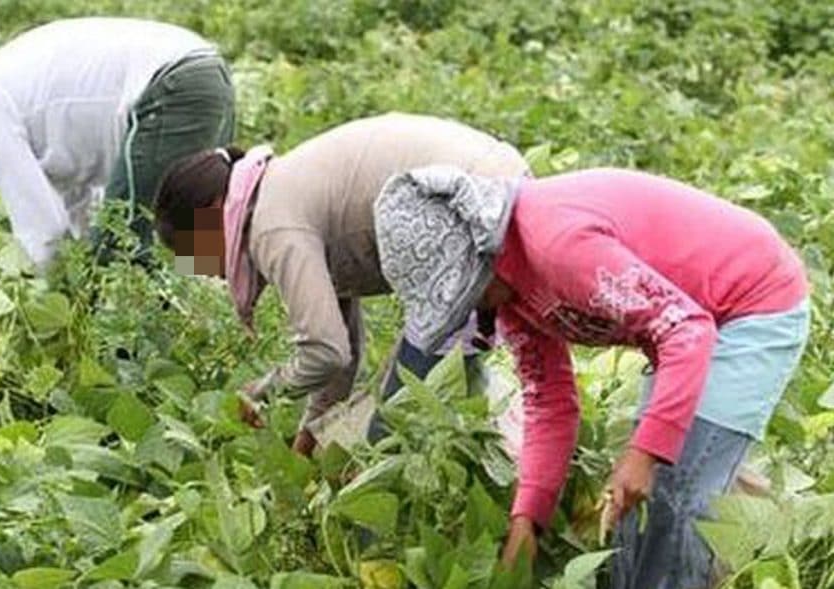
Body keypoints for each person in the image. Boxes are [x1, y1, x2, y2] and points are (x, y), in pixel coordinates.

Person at [373, 166, 809, 588]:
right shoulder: (510, 298)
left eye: (464, 292)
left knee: (676, 495)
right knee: (626, 508)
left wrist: (644, 454)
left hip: (751, 305)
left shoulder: (556, 246)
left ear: (479, 259)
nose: (470, 308)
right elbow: (551, 402)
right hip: (684, 331)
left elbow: (686, 329)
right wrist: (527, 524)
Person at [153, 113, 530, 455]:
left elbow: (326, 351)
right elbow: (339, 351)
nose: (199, 269)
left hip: (473, 213)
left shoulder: (271, 225)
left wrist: (263, 393)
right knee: (445, 388)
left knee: (392, 426)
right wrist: (308, 443)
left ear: (210, 216)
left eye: (191, 252)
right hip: (500, 194)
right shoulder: (280, 191)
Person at [0, 17, 235, 270]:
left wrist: (60, 313)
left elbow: (43, 230)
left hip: (170, 88)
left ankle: (142, 355)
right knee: (195, 240)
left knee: (119, 251)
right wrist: (79, 264)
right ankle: (217, 333)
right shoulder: (10, 95)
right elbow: (75, 211)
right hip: (202, 74)